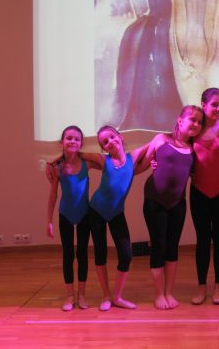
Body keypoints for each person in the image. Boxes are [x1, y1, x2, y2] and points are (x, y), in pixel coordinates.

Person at [140, 106, 203, 310]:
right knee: (158, 245)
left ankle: (169, 292)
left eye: (199, 122)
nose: (196, 124)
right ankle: (159, 294)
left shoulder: (194, 149)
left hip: (177, 204)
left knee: (172, 247)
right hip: (154, 201)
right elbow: (142, 164)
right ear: (180, 120)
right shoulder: (161, 139)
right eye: (192, 119)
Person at [84, 126, 151, 311]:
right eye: (105, 142)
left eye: (112, 137)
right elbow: (78, 154)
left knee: (126, 254)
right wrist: (54, 162)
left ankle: (118, 297)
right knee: (100, 253)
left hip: (116, 213)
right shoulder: (103, 160)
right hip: (96, 211)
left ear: (120, 137)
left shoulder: (133, 157)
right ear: (103, 148)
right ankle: (106, 296)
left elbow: (154, 143)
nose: (110, 142)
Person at [190, 88, 219, 305]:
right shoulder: (194, 129)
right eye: (215, 105)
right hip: (199, 192)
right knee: (202, 240)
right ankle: (202, 286)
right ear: (203, 104)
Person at [46, 126, 100, 311]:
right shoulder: (57, 168)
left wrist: (78, 154)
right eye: (69, 138)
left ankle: (81, 295)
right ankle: (70, 296)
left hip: (85, 214)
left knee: (82, 254)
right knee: (68, 255)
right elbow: (53, 195)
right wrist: (49, 221)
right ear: (62, 141)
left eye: (77, 139)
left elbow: (102, 160)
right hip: (65, 215)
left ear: (81, 143)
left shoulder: (87, 163)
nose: (73, 141)